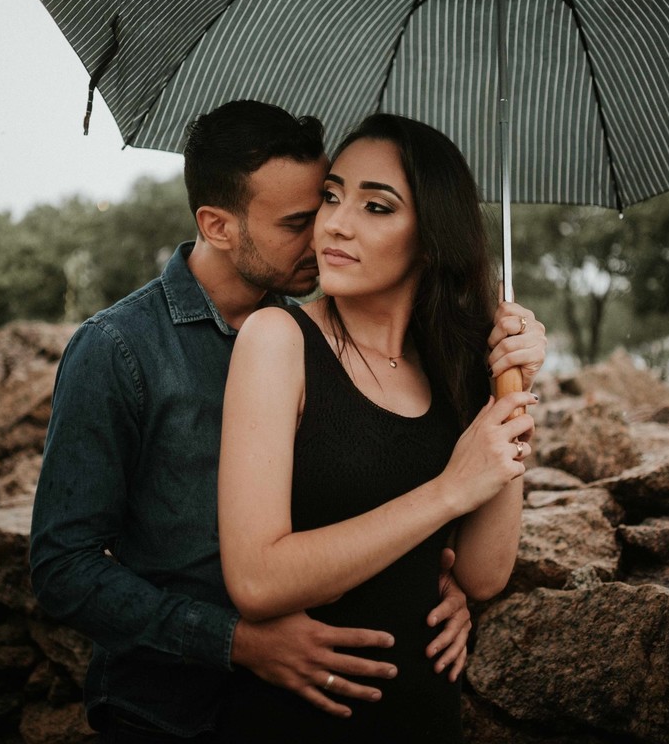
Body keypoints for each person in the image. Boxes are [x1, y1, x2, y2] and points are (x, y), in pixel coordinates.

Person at [30, 100, 547, 742]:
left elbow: (431, 529)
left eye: (342, 203)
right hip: (172, 709)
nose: (325, 232)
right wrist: (236, 642)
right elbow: (64, 566)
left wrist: (437, 578)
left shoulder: (363, 340)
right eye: (307, 215)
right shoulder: (123, 348)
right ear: (218, 226)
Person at [216, 113, 542, 743]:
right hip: (299, 724)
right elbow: (257, 580)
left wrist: (516, 388)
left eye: (377, 206)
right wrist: (448, 491)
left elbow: (483, 575)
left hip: (425, 718)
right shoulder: (278, 339)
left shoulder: (457, 363)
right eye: (332, 196)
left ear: (431, 237)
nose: (335, 222)